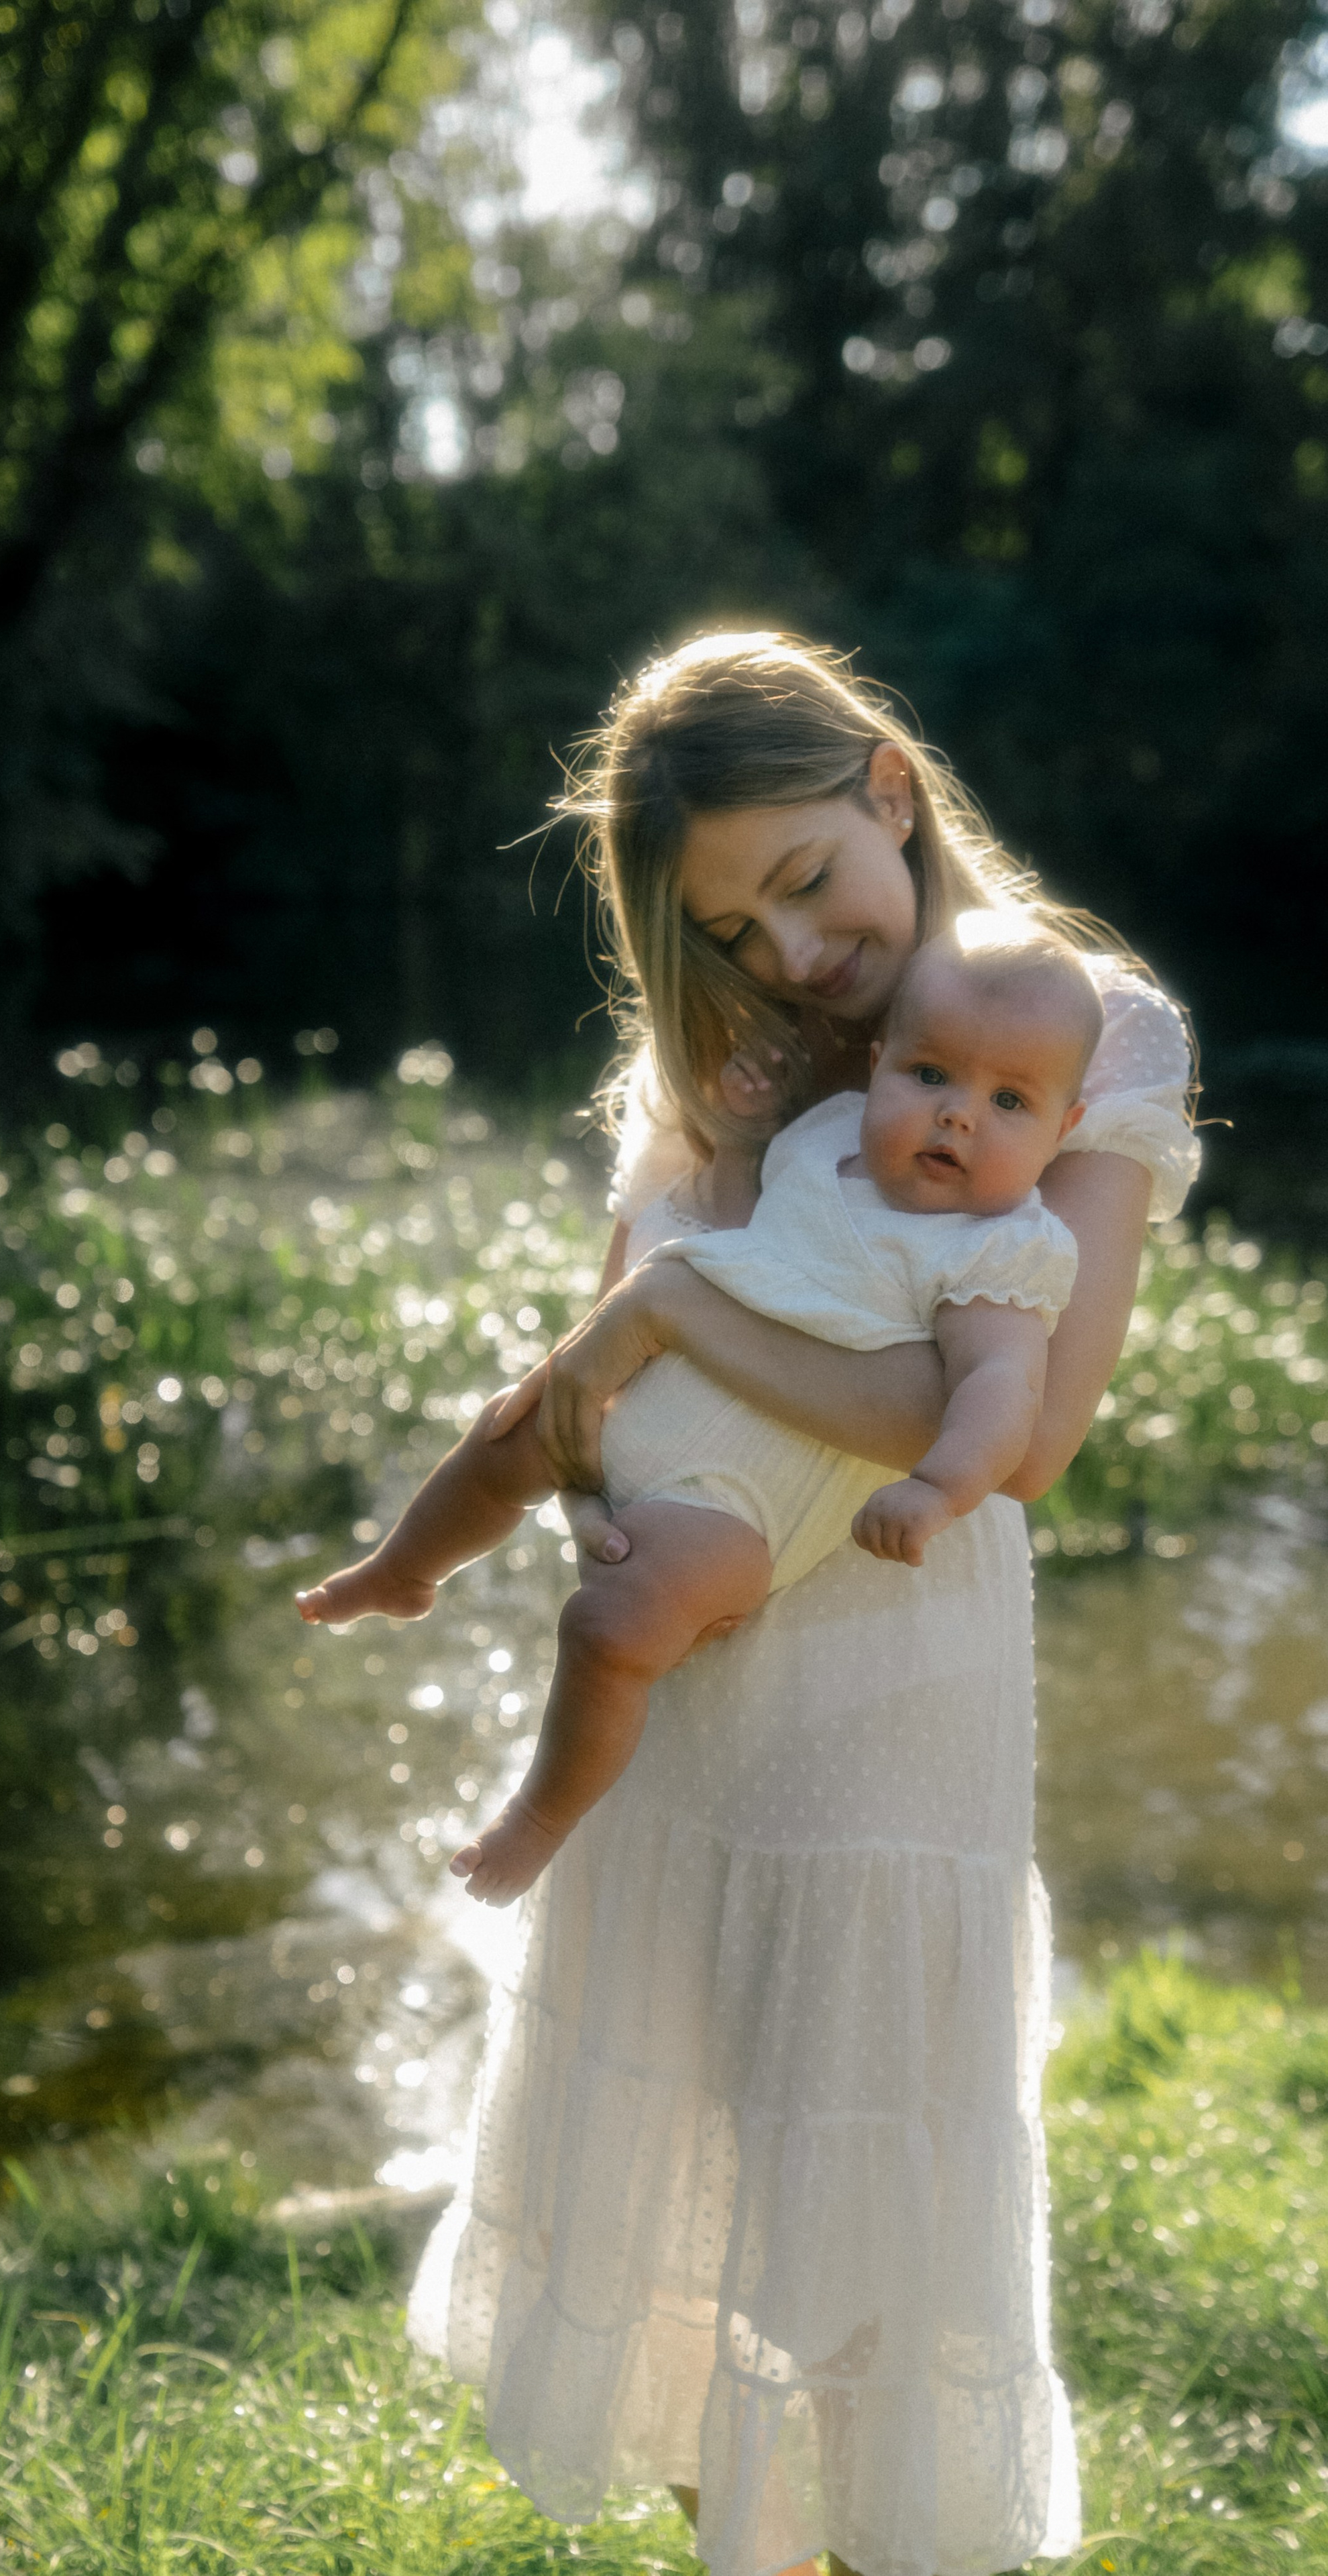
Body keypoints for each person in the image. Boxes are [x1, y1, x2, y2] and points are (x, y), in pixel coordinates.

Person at [404, 632, 1200, 2576]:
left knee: (846, 2230)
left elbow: (1011, 1434)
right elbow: (597, 1356)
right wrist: (569, 1464)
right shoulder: (715, 1066)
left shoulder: (1083, 1031)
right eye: (733, 926)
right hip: (686, 1682)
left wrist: (679, 1319)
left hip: (887, 1687)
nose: (791, 953)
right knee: (684, 2198)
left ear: (888, 791)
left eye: (804, 882)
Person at [302, 924, 1098, 1908]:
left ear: (1066, 1129)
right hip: (652, 1379)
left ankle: (538, 1818)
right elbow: (717, 1188)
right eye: (931, 1074)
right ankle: (405, 1569)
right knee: (507, 1433)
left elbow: (998, 1391)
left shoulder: (1002, 1250)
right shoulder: (825, 1134)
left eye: (1009, 1101)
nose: (957, 1117)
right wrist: (737, 1105)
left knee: (612, 1628)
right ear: (881, 1061)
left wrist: (938, 1487)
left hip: (742, 1496)